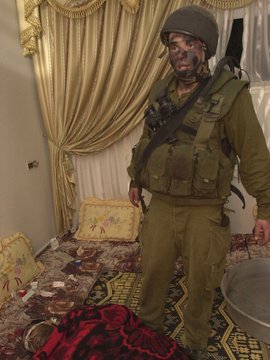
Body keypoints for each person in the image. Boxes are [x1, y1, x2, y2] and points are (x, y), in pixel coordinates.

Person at [127, 5, 270, 360]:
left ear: (205, 47)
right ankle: (148, 333)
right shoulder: (160, 91)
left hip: (204, 212)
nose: (181, 52)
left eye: (189, 42)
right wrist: (134, 178)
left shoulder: (231, 94)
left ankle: (195, 341)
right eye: (174, 45)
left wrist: (265, 208)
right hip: (160, 206)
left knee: (203, 281)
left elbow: (254, 155)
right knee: (153, 275)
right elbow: (148, 140)